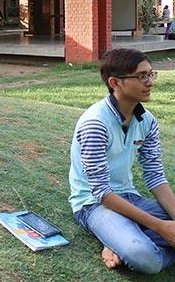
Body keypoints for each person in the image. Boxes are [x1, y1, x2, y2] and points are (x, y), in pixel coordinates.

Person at [69, 48, 175, 274]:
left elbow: (155, 175)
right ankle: (122, 239)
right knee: (147, 259)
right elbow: (101, 192)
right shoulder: (95, 124)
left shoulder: (147, 121)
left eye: (150, 74)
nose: (150, 82)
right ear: (115, 82)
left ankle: (120, 239)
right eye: (141, 76)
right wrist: (161, 227)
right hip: (93, 205)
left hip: (129, 197)